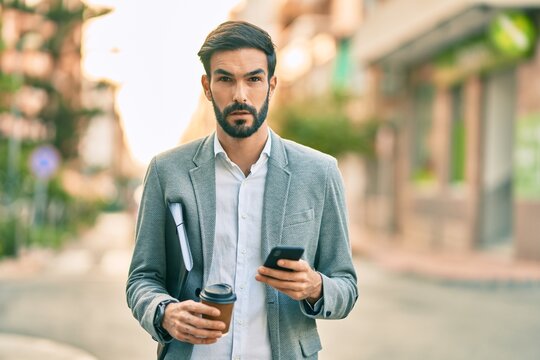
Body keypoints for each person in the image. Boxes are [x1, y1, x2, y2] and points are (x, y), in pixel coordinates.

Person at [126, 21, 358, 360]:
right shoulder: (166, 171)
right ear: (207, 86)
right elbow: (142, 279)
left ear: (272, 84)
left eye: (253, 78)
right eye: (225, 79)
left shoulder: (319, 173)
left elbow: (346, 287)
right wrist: (164, 313)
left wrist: (314, 287)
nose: (240, 95)